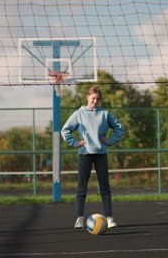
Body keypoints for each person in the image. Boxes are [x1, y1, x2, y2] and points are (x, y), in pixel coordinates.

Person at [61, 86, 124, 229]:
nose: (95, 101)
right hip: (85, 154)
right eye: (93, 98)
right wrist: (75, 143)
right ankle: (79, 218)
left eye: (97, 99)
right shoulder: (79, 113)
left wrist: (110, 141)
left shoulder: (105, 114)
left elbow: (119, 128)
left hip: (101, 154)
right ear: (87, 97)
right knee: (82, 187)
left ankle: (109, 217)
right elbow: (65, 130)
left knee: (105, 187)